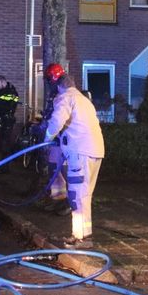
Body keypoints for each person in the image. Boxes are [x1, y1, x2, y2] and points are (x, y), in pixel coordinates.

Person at [44, 72, 105, 249]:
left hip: (80, 153)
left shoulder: (65, 97)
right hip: (95, 151)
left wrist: (47, 138)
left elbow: (56, 121)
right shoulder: (84, 100)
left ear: (60, 86)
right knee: (84, 195)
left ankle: (82, 239)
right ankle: (82, 236)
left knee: (77, 195)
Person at [40, 63, 69, 206]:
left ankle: (68, 203)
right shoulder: (54, 94)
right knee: (53, 168)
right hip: (55, 139)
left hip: (62, 139)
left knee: (63, 169)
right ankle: (57, 198)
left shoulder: (63, 95)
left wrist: (47, 136)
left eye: (49, 79)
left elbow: (59, 120)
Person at [0, 75, 20, 169]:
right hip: (2, 119)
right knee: (2, 142)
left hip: (7, 120)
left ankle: (5, 167)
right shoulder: (0, 90)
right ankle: (5, 162)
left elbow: (9, 106)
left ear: (3, 82)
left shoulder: (11, 92)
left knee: (5, 143)